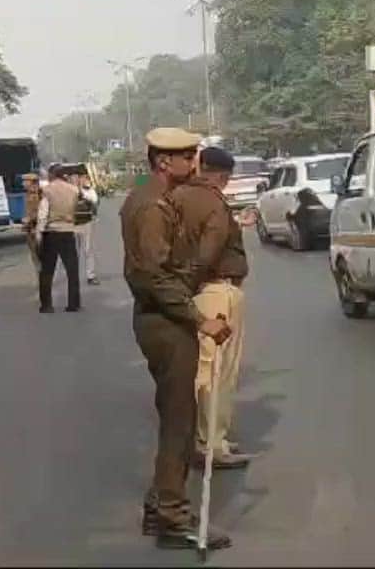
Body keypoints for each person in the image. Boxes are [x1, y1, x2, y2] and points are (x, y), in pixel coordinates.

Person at [120, 127, 233, 552]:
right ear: (164, 161)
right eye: (188, 156)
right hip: (166, 321)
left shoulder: (148, 196)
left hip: (162, 316)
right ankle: (171, 513)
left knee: (177, 415)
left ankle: (159, 505)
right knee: (179, 422)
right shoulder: (152, 206)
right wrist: (199, 318)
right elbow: (152, 274)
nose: (194, 163)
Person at [170, 146, 254, 470]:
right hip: (217, 290)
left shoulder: (177, 196)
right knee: (219, 372)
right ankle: (212, 444)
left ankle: (205, 438)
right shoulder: (213, 200)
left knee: (204, 369)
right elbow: (208, 250)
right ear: (223, 175)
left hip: (196, 292)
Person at [35, 165, 82, 313]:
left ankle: (46, 305)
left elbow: (43, 213)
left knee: (47, 271)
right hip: (68, 231)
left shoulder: (47, 190)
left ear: (52, 175)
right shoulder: (73, 190)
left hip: (52, 232)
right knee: (72, 270)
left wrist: (39, 234)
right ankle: (73, 303)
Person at [74, 169, 101, 286]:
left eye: (85, 177)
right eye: (81, 177)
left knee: (88, 250)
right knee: (74, 252)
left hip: (86, 223)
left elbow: (94, 201)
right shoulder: (70, 190)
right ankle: (73, 276)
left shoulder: (89, 191)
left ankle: (91, 275)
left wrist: (82, 193)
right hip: (73, 224)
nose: (83, 180)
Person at [21, 173, 42, 278]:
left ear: (32, 182)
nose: (23, 183)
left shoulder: (36, 195)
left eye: (25, 181)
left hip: (35, 228)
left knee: (38, 255)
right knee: (35, 255)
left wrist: (29, 219)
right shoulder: (29, 194)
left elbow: (39, 212)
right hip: (30, 228)